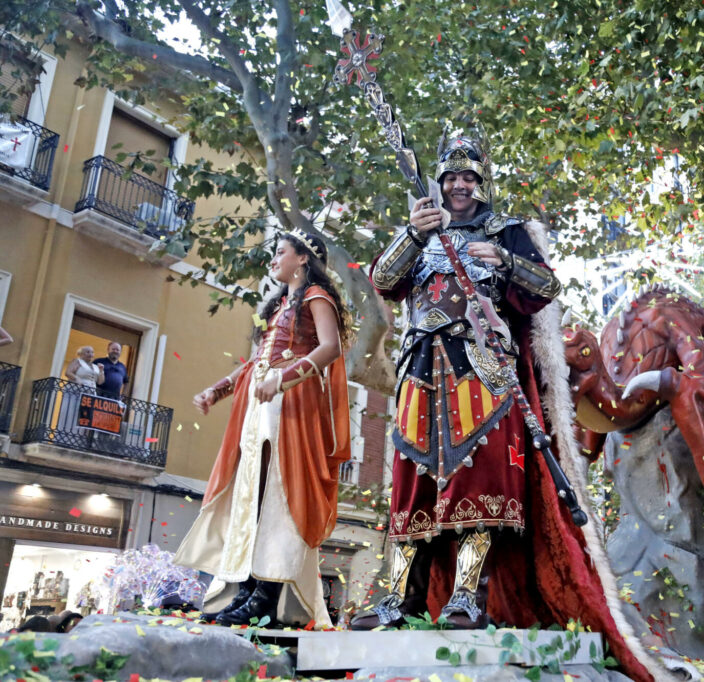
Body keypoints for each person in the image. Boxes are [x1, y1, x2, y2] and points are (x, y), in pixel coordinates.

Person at [355, 134, 656, 681]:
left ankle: (466, 596)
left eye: (468, 177)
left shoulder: (506, 230)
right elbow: (383, 281)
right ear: (439, 183)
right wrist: (412, 234)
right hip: (421, 368)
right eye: (451, 177)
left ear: (482, 183)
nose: (459, 185)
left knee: (481, 481)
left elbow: (546, 286)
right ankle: (397, 598)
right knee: (411, 484)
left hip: (482, 370)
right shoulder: (421, 227)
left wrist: (507, 261)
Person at [174, 229, 351, 628]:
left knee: (279, 492)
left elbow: (330, 348)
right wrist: (217, 390)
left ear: (303, 258)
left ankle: (268, 596)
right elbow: (257, 361)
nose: (273, 258)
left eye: (280, 251)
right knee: (251, 494)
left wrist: (284, 379)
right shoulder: (276, 307)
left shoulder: (317, 297)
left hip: (292, 402)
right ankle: (247, 588)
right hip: (259, 405)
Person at [61, 346, 103, 435]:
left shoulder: (95, 366)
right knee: (72, 414)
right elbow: (68, 372)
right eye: (87, 352)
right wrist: (76, 378)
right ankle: (68, 435)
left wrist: (101, 371)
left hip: (90, 394)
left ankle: (80, 438)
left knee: (85, 417)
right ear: (81, 354)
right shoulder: (77, 361)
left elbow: (100, 381)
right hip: (76, 392)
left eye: (92, 352)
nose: (90, 354)